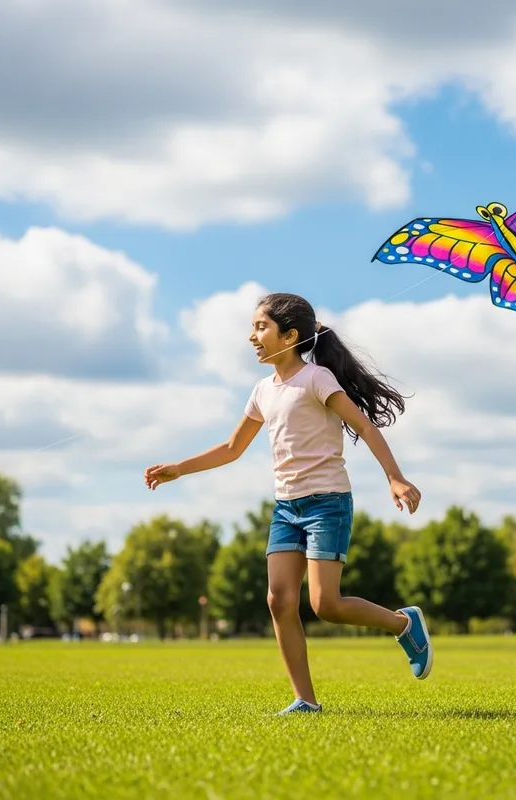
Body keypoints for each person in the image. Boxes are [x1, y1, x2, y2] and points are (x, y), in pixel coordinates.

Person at [144, 292, 432, 714]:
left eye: (260, 327)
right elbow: (231, 447)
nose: (252, 337)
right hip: (286, 508)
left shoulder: (317, 379)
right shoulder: (262, 390)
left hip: (327, 503)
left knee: (325, 605)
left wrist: (395, 477)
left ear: (290, 335)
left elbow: (365, 426)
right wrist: (179, 468)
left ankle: (404, 623)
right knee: (278, 600)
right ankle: (305, 701)